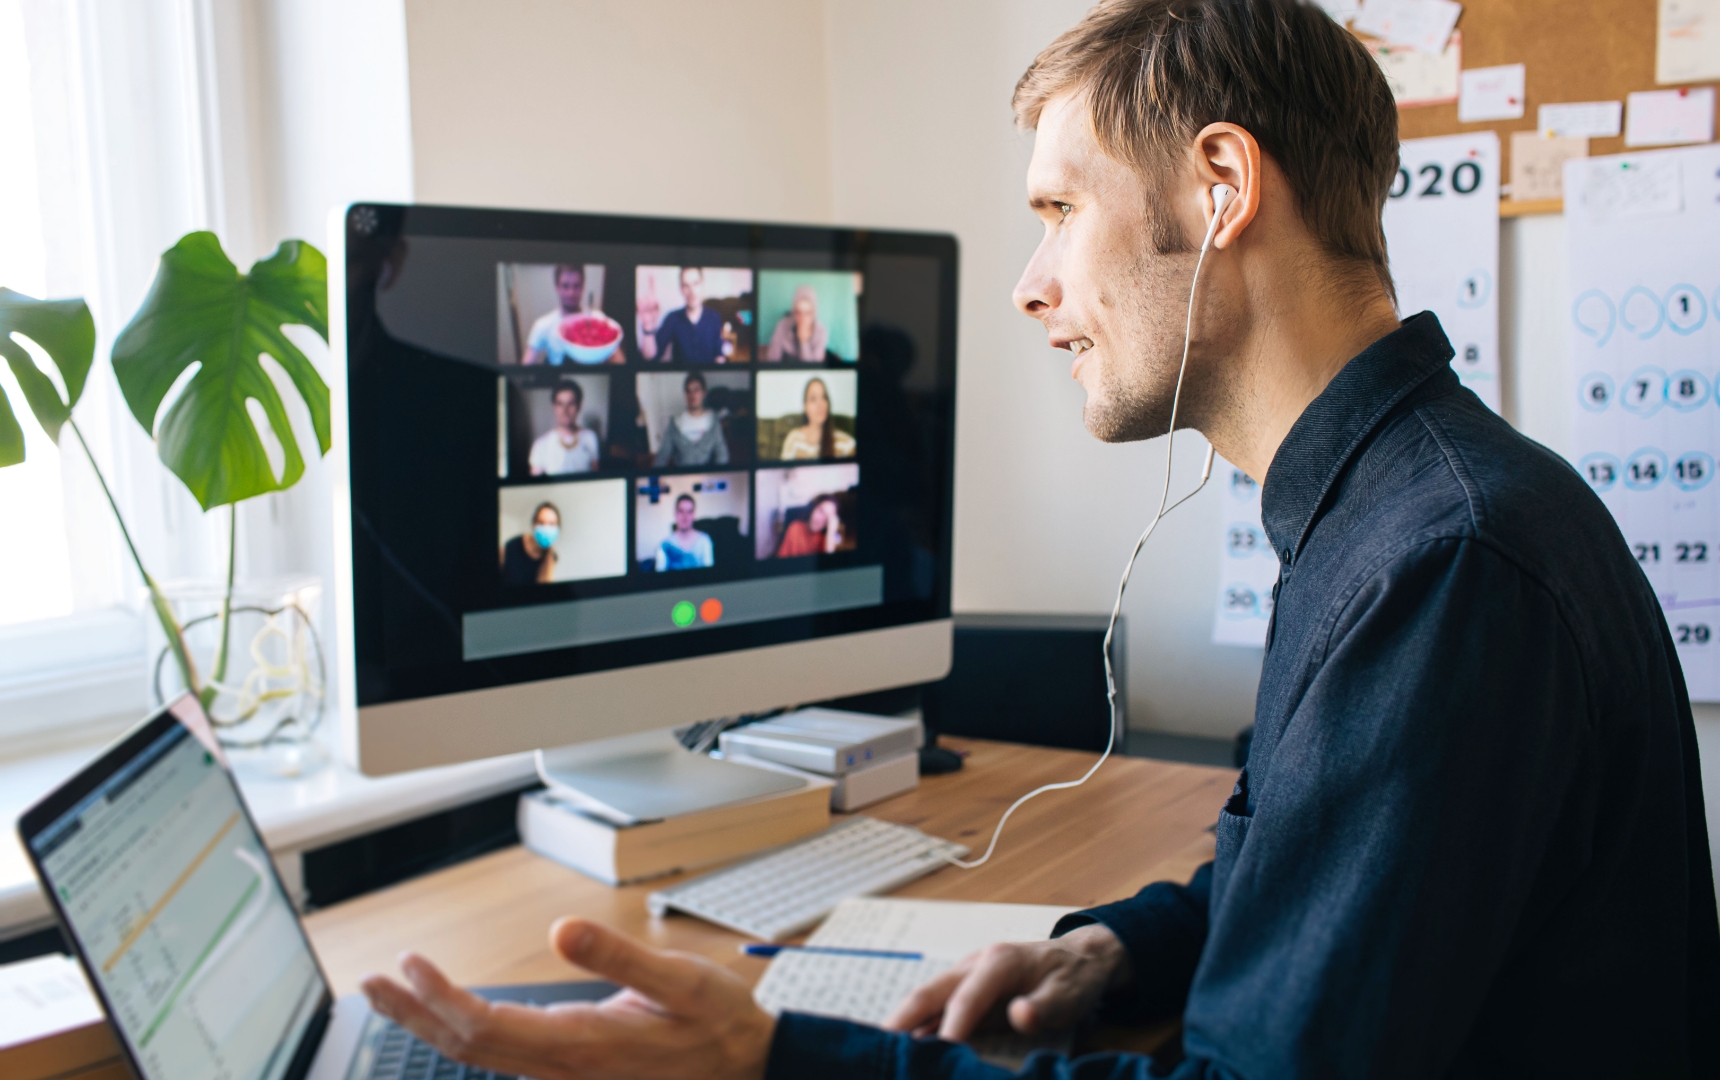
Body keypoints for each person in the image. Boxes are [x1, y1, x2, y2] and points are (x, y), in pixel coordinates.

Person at [362, 2, 1720, 1076]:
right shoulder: (1405, 506)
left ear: (1223, 185)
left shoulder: (1441, 566)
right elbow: (1302, 880)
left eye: (1061, 211)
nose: (1029, 286)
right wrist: (1110, 953)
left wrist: (774, 1057)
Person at [638, 267, 732, 363]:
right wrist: (648, 326)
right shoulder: (672, 318)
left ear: (702, 284)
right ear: (681, 289)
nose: (692, 291)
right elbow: (651, 357)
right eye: (686, 285)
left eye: (696, 283)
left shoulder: (714, 317)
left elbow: (719, 355)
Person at [521, 264, 601, 366]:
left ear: (583, 287)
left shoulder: (597, 319)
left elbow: (617, 358)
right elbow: (526, 365)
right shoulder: (542, 325)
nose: (571, 293)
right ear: (557, 287)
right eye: (565, 286)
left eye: (576, 286)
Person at [654, 372, 730, 467]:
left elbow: (722, 453)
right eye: (688, 391)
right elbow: (663, 455)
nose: (692, 395)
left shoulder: (714, 421)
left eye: (696, 390)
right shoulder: (674, 422)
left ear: (704, 393)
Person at [528, 380, 600, 475]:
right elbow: (536, 487)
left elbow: (595, 478)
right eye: (560, 404)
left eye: (570, 404)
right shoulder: (540, 444)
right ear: (554, 407)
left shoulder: (590, 437)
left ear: (579, 406)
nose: (565, 410)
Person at [778, 377, 855, 460]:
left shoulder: (846, 443)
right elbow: (783, 472)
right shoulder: (794, 439)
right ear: (805, 407)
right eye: (813, 399)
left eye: (824, 397)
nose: (820, 404)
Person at [765, 284, 835, 361]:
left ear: (814, 313)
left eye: (807, 313)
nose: (803, 318)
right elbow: (772, 358)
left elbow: (813, 368)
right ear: (793, 311)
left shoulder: (821, 331)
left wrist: (803, 342)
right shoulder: (783, 325)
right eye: (798, 312)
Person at [498, 502, 558, 586]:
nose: (546, 528)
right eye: (541, 523)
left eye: (551, 524)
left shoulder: (552, 557)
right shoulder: (510, 547)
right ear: (533, 524)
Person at [654, 494, 714, 571]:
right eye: (681, 511)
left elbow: (709, 575)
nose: (685, 516)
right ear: (675, 514)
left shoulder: (705, 541)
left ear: (693, 515)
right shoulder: (664, 545)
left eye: (689, 512)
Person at [774, 494, 843, 557]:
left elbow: (828, 569)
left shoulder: (824, 542)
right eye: (821, 511)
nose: (820, 520)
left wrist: (830, 533)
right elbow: (782, 558)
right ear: (813, 508)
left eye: (827, 518)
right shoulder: (795, 527)